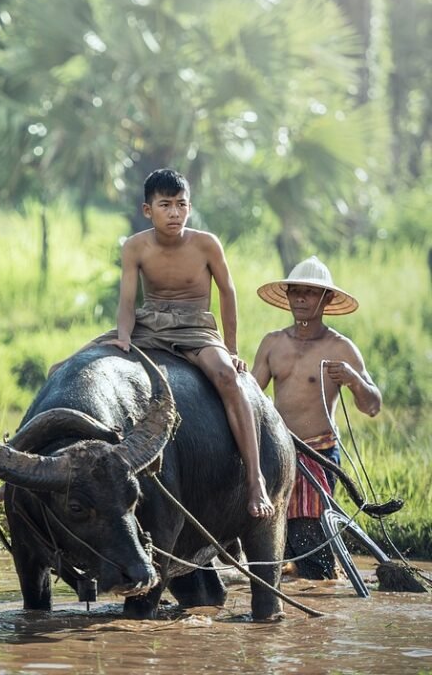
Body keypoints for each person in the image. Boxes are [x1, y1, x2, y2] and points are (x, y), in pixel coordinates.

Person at [84, 168, 274, 518]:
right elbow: (128, 300)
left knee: (229, 380)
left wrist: (231, 350)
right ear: (148, 210)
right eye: (166, 205)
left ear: (190, 207)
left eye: (181, 205)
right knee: (73, 365)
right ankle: (30, 469)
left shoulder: (206, 244)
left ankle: (255, 479)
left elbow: (228, 293)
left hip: (195, 327)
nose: (174, 213)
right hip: (150, 323)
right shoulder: (135, 246)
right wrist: (123, 336)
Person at [252, 255, 382, 578]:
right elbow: (251, 397)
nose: (300, 298)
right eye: (295, 291)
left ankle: (322, 587)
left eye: (309, 292)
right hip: (278, 453)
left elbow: (373, 405)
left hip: (318, 454)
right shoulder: (273, 344)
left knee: (309, 539)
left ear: (327, 299)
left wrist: (352, 378)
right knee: (272, 543)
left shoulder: (340, 348)